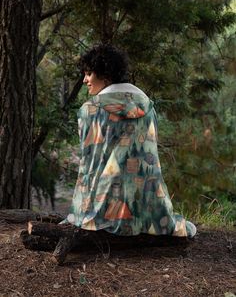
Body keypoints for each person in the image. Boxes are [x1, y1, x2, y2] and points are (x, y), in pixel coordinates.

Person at [63, 44, 197, 238]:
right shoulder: (147, 105)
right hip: (149, 207)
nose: (84, 80)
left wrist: (79, 211)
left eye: (89, 74)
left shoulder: (90, 110)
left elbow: (89, 165)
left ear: (105, 74)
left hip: (104, 208)